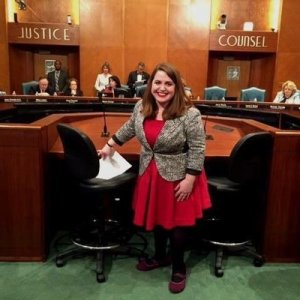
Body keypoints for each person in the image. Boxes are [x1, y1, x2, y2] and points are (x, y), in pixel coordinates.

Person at [99, 62, 211, 294]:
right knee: (158, 218)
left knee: (178, 225)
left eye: (168, 83)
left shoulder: (190, 113)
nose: (162, 88)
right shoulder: (142, 106)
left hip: (179, 176)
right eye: (158, 82)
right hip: (150, 172)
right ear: (150, 85)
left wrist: (190, 178)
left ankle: (179, 268)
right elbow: (129, 128)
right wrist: (110, 145)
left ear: (176, 86)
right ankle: (160, 256)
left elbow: (199, 148)